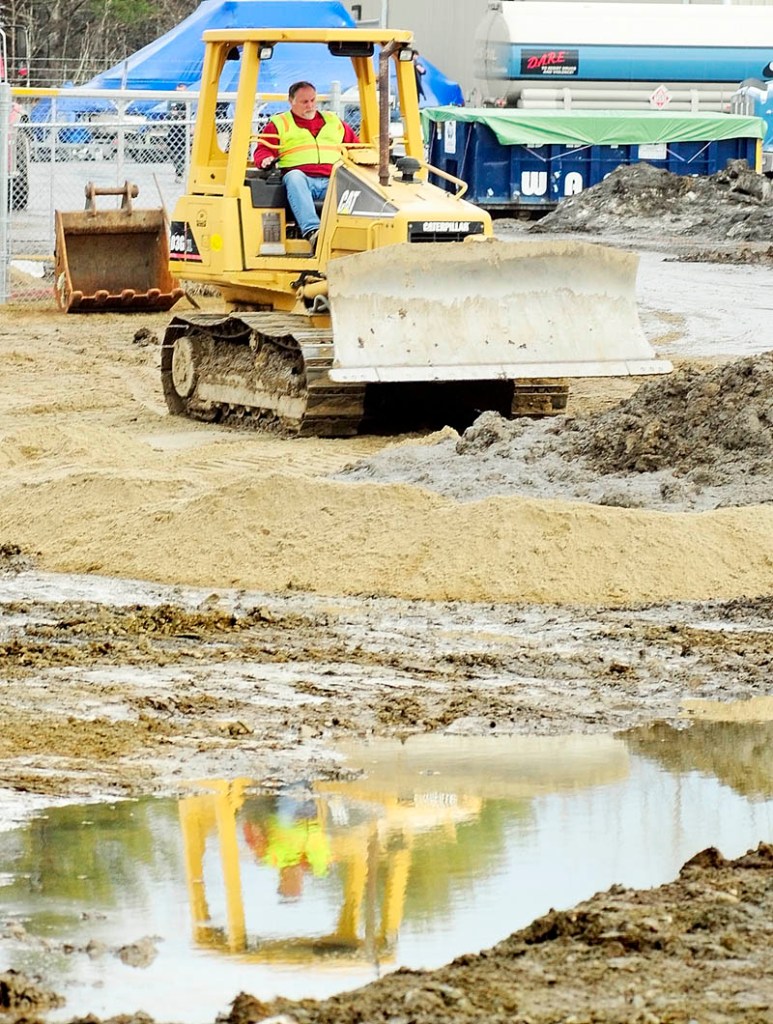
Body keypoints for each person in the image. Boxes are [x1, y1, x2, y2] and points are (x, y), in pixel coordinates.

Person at [253, 81, 358, 249]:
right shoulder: (279, 124)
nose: (310, 106)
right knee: (294, 177)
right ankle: (313, 232)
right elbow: (263, 150)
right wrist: (265, 159)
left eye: (312, 100)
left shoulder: (334, 122)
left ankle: (351, 232)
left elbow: (356, 147)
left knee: (358, 181)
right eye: (304, 102)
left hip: (333, 178)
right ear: (291, 101)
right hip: (303, 180)